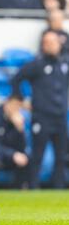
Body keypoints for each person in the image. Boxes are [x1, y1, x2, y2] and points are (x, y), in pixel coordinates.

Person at [11, 30, 69, 189]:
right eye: (47, 42)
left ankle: (59, 190)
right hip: (42, 117)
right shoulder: (37, 64)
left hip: (60, 117)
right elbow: (16, 79)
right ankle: (33, 188)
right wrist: (21, 100)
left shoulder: (64, 64)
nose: (50, 45)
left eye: (53, 42)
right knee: (37, 156)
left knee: (61, 157)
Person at [0, 95, 29, 189]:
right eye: (14, 105)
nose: (16, 109)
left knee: (26, 158)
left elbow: (22, 148)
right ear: (7, 104)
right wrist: (12, 154)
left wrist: (20, 130)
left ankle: (19, 192)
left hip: (11, 156)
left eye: (18, 106)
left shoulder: (17, 121)